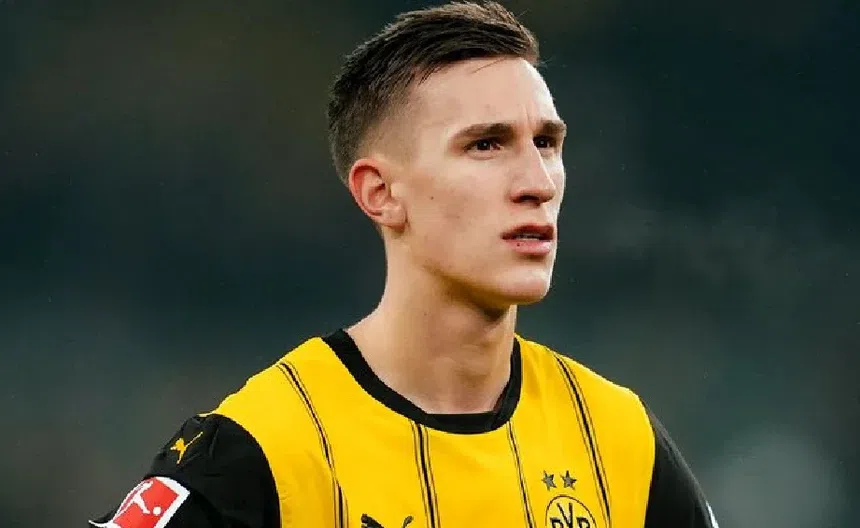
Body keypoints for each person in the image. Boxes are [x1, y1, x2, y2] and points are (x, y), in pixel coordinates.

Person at [89, 2, 720, 527]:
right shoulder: (263, 451)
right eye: (486, 144)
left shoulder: (620, 441)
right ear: (381, 194)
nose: (537, 181)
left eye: (547, 143)